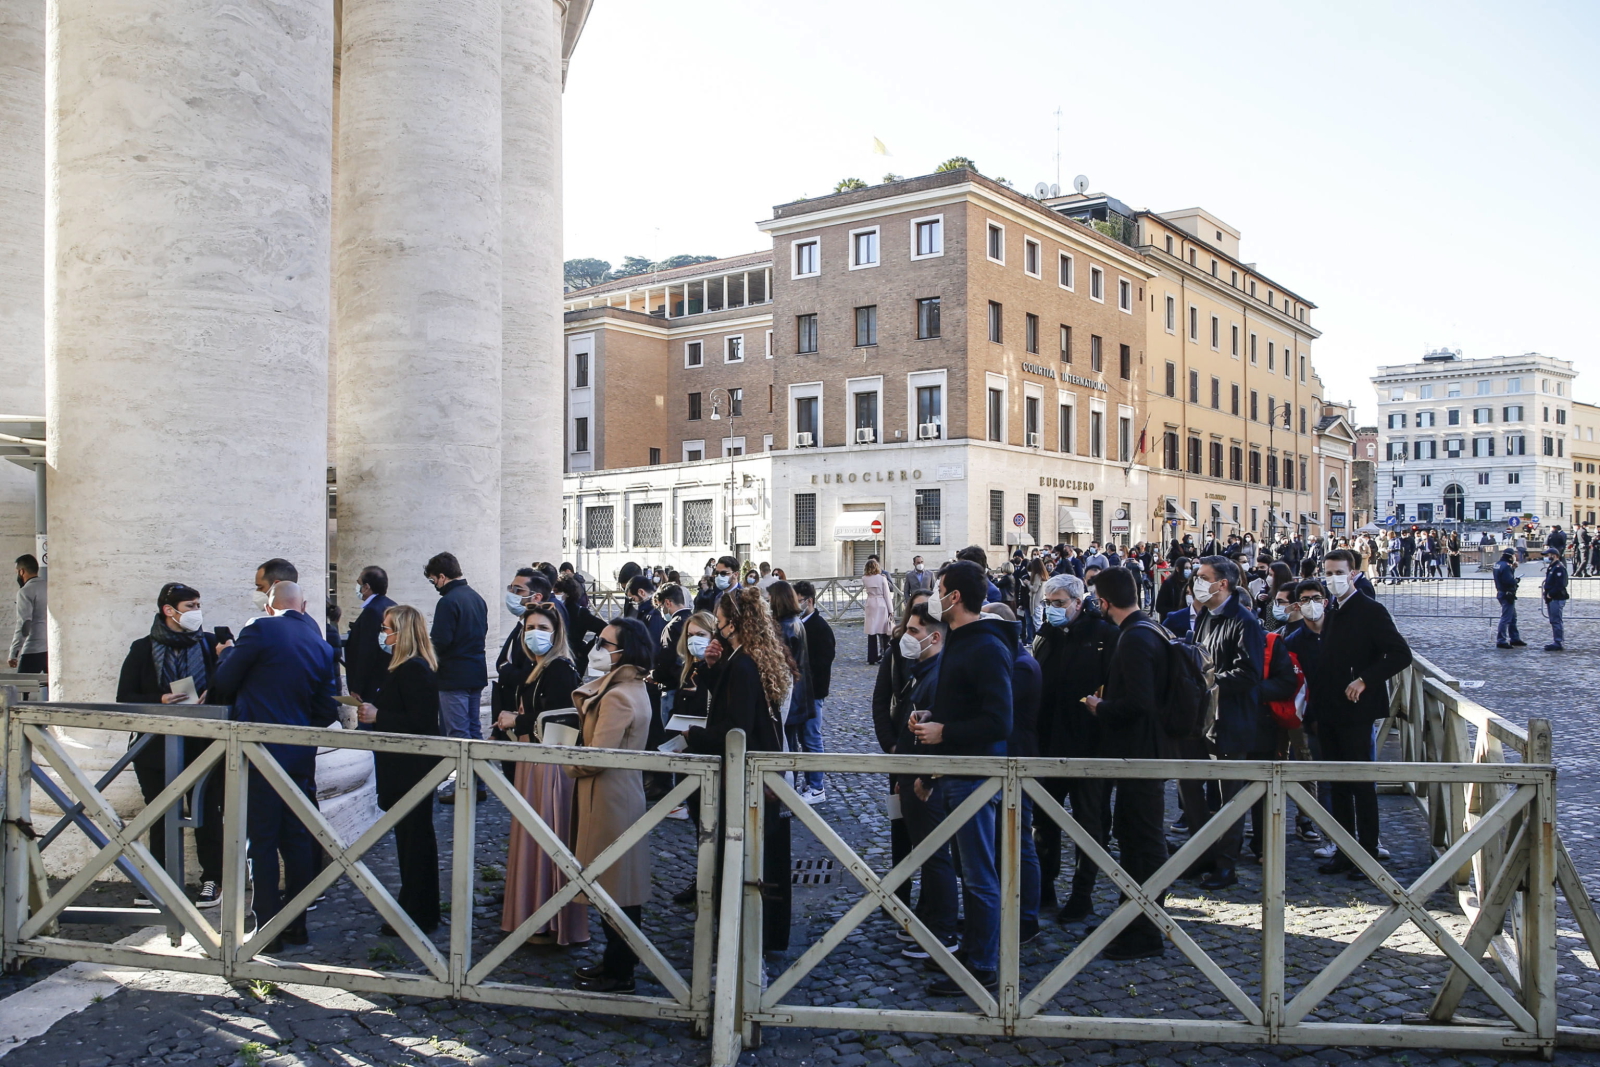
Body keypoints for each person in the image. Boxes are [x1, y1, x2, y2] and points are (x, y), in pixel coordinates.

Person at [210, 581, 339, 950]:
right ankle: (296, 924)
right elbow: (326, 710)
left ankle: (267, 927)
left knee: (261, 841)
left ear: (270, 606)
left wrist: (225, 654)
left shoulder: (259, 628)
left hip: (259, 751)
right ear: (304, 606)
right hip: (299, 754)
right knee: (296, 840)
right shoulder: (321, 645)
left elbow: (225, 681)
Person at [909, 560, 1012, 997]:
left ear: (955, 598)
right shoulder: (959, 640)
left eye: (940, 587)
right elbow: (964, 704)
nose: (934, 593)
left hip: (975, 775)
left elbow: (999, 720)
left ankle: (984, 964)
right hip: (955, 771)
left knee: (979, 875)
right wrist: (934, 717)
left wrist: (945, 731)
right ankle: (971, 955)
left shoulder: (987, 646)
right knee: (968, 873)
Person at [685, 588, 794, 952]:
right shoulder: (744, 659)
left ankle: (748, 944)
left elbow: (737, 728)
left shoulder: (745, 663)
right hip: (753, 777)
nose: (716, 626)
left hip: (747, 780)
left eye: (719, 620)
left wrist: (695, 737)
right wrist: (713, 668)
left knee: (747, 862)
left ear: (733, 623)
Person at [1303, 551, 1412, 877]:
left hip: (1356, 709)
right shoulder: (1333, 608)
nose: (1333, 578)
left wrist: (1365, 679)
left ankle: (1366, 852)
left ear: (1353, 575)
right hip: (1330, 709)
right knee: (1337, 783)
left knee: (1361, 784)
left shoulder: (1370, 610)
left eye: (1339, 572)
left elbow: (1400, 654)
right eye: (1328, 572)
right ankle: (1344, 849)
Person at [116, 581, 225, 907]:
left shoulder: (209, 645)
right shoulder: (142, 649)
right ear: (169, 611)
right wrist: (160, 699)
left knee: (206, 812)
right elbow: (125, 697)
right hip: (154, 748)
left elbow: (230, 686)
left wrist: (212, 695)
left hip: (203, 744)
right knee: (161, 812)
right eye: (191, 606)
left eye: (197, 605)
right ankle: (161, 880)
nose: (197, 612)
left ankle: (213, 880)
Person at [1082, 567, 1169, 960]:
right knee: (1136, 836)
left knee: (1141, 840)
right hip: (1142, 751)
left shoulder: (1134, 639)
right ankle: (1133, 918)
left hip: (1141, 754)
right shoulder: (1147, 629)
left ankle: (1145, 930)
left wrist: (1101, 706)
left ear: (1103, 602)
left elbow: (1139, 703)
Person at [566, 617, 654, 992]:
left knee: (613, 887)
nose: (598, 647)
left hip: (608, 797)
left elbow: (597, 755)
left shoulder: (619, 695)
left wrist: (565, 760)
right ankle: (616, 964)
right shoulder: (633, 687)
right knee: (616, 884)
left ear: (624, 650)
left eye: (605, 642)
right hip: (620, 793)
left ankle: (620, 970)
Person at [496, 603, 587, 944]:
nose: (534, 633)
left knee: (549, 837)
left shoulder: (560, 668)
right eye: (529, 627)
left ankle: (552, 920)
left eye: (542, 627)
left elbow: (561, 719)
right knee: (533, 838)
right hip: (531, 760)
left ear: (556, 633)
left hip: (549, 765)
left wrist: (516, 721)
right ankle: (533, 912)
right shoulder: (538, 667)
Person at [1030, 574, 1117, 922]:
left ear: (1079, 603)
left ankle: (1083, 894)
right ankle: (1045, 887)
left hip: (1089, 745)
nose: (1052, 609)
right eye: (1047, 603)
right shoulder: (1045, 633)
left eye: (1059, 603)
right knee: (1044, 820)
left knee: (1089, 822)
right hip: (1048, 743)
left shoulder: (1105, 635)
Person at [356, 605, 442, 933]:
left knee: (415, 843)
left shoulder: (414, 670)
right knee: (410, 841)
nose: (383, 633)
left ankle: (418, 912)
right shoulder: (403, 668)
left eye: (387, 627)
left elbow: (421, 722)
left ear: (402, 632)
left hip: (412, 770)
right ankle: (416, 907)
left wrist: (379, 716)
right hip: (403, 768)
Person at [1189, 555, 1267, 890]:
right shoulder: (1206, 615)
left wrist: (1209, 679)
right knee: (1202, 794)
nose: (1197, 582)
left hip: (1232, 721)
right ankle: (1204, 854)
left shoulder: (1244, 621)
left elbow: (1250, 674)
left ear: (1223, 584)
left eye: (1204, 577)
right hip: (1204, 718)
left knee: (1229, 797)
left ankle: (1226, 864)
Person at [981, 602, 1042, 944]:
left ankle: (1027, 917)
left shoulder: (1021, 667)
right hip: (1004, 762)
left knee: (1020, 843)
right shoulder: (1010, 661)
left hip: (1018, 761)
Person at [425, 552, 489, 803]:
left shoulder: (449, 602)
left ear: (442, 576)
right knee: (473, 730)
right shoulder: (477, 598)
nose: (434, 586)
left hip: (453, 676)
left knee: (458, 734)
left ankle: (464, 788)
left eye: (433, 581)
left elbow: (440, 641)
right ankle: (479, 783)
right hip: (475, 671)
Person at [767, 581, 817, 800]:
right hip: (797, 693)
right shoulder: (794, 622)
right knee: (790, 742)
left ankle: (788, 793)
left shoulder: (786, 626)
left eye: (769, 600)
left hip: (790, 695)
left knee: (787, 745)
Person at [793, 581, 835, 802]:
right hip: (803, 692)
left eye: (797, 600)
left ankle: (817, 787)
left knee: (811, 738)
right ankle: (809, 783)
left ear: (808, 601)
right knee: (804, 738)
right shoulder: (800, 623)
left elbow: (823, 662)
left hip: (813, 693)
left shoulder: (819, 626)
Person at [345, 566, 395, 707]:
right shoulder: (390, 605)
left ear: (366, 587)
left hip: (371, 686)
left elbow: (367, 652)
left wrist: (357, 688)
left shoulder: (372, 611)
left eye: (359, 582)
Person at [9, 554, 46, 673]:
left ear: (21, 571)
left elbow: (24, 624)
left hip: (33, 649)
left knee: (22, 687)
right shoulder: (49, 587)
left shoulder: (25, 592)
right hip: (51, 648)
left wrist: (14, 653)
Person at [860, 557, 893, 664]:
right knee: (884, 632)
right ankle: (885, 654)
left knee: (872, 632)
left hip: (870, 603)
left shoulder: (864, 578)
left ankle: (871, 657)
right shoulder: (882, 578)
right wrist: (891, 610)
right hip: (881, 603)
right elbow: (887, 595)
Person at [1494, 548, 1524, 649]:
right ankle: (1501, 640)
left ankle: (1514, 638)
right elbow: (1509, 580)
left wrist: (1513, 568)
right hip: (1507, 594)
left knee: (1512, 617)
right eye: (1514, 555)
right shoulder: (1506, 566)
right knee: (1506, 618)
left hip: (1501, 592)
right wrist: (1516, 580)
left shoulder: (1498, 564)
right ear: (1510, 556)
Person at [1542, 544, 1569, 652]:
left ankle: (1558, 642)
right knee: (1553, 620)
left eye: (1549, 555)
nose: (1547, 557)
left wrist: (1550, 594)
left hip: (1556, 597)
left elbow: (1561, 584)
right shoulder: (1552, 566)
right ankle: (1556, 641)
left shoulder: (1559, 567)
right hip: (1552, 598)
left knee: (1556, 621)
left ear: (1555, 555)